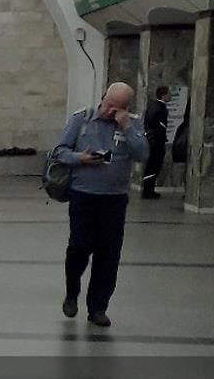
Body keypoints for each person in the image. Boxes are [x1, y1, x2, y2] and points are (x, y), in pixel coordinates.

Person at [53, 82, 150, 327]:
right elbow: (59, 151)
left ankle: (98, 307)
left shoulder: (132, 124)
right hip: (83, 196)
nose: (110, 111)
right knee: (79, 247)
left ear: (125, 107)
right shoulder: (82, 119)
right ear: (103, 97)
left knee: (108, 255)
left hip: (114, 200)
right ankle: (72, 293)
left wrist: (126, 126)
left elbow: (142, 154)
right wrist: (80, 158)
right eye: (108, 105)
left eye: (117, 108)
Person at [141, 86, 171, 199]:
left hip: (151, 140)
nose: (171, 96)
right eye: (169, 94)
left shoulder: (152, 106)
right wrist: (160, 138)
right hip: (157, 142)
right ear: (163, 95)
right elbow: (160, 126)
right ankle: (149, 190)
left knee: (150, 166)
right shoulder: (160, 108)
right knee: (154, 165)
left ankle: (148, 189)